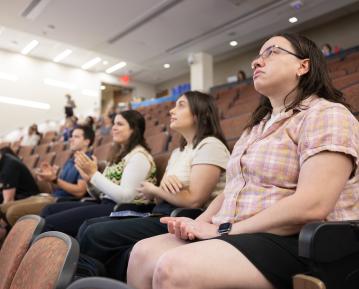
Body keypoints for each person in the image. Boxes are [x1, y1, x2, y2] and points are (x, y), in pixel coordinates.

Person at [127, 33, 359, 289]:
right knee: (142, 253)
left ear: (302, 66)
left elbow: (313, 205)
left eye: (272, 52)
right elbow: (232, 190)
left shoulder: (327, 114)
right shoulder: (255, 128)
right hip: (240, 232)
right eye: (258, 56)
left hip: (297, 239)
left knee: (173, 269)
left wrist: (223, 230)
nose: (256, 62)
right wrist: (200, 223)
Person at [76, 91, 230, 280]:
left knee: (94, 233)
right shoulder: (178, 152)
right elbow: (162, 196)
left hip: (181, 219)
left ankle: (89, 281)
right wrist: (158, 191)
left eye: (181, 105)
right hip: (161, 211)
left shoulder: (211, 145)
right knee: (88, 226)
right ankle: (95, 279)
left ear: (199, 113)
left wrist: (155, 189)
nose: (172, 110)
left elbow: (194, 200)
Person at [40, 110, 157, 237]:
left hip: (123, 210)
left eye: (119, 124)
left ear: (134, 129)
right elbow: (101, 194)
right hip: (106, 204)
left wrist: (94, 174)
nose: (114, 128)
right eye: (114, 124)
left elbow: (125, 198)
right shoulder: (120, 156)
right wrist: (89, 180)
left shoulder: (139, 157)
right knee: (49, 209)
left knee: (50, 223)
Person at [0, 125, 94, 226]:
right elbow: (60, 186)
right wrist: (49, 178)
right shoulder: (71, 160)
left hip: (61, 201)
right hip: (50, 196)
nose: (71, 139)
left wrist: (55, 180)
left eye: (76, 137)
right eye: (72, 136)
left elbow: (80, 191)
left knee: (12, 213)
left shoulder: (88, 162)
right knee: (2, 209)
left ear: (87, 142)